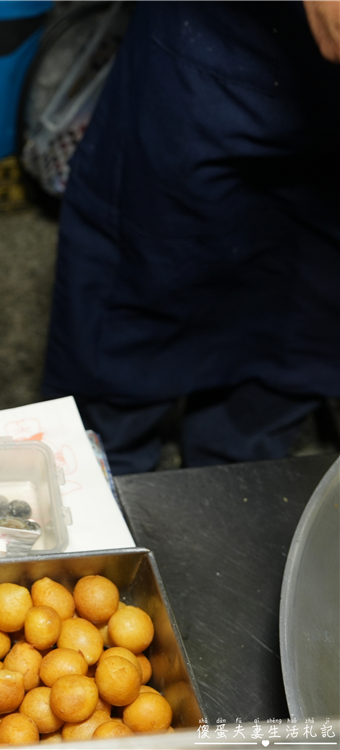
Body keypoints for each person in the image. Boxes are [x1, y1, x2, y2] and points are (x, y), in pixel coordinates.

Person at [41, 1, 340, 475]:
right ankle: (107, 483)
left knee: (304, 324)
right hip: (213, 60)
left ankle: (238, 479)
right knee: (138, 301)